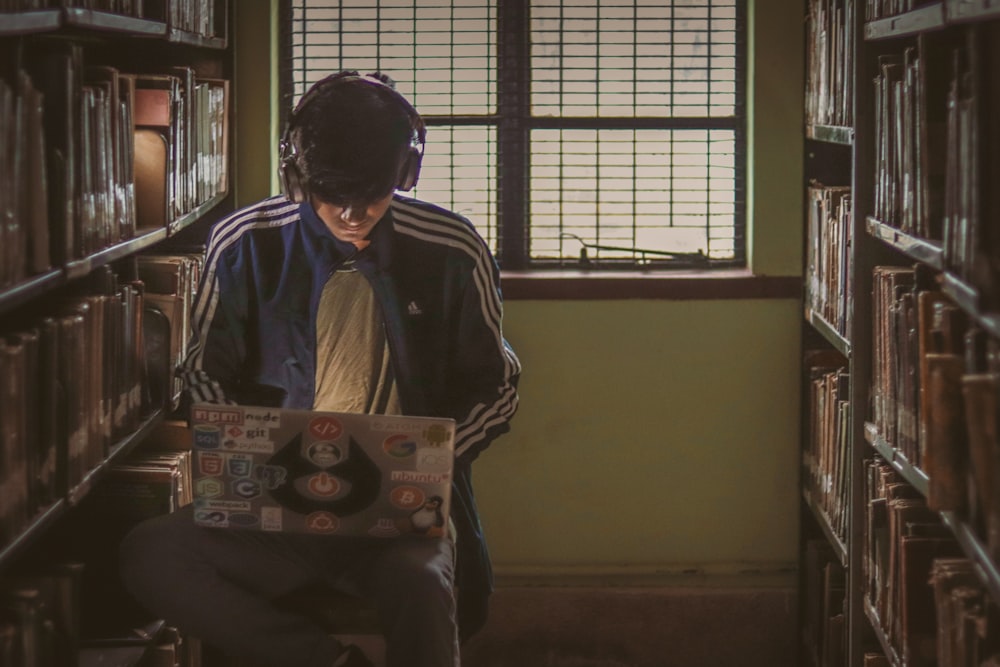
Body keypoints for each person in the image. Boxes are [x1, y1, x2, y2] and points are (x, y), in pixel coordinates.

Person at [119, 70, 521, 667]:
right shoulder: (243, 243)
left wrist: (437, 457)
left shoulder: (452, 247)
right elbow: (202, 373)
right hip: (272, 508)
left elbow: (498, 385)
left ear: (404, 176)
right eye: (333, 198)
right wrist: (240, 451)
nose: (353, 215)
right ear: (297, 175)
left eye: (373, 195)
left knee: (424, 586)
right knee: (150, 554)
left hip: (400, 513)